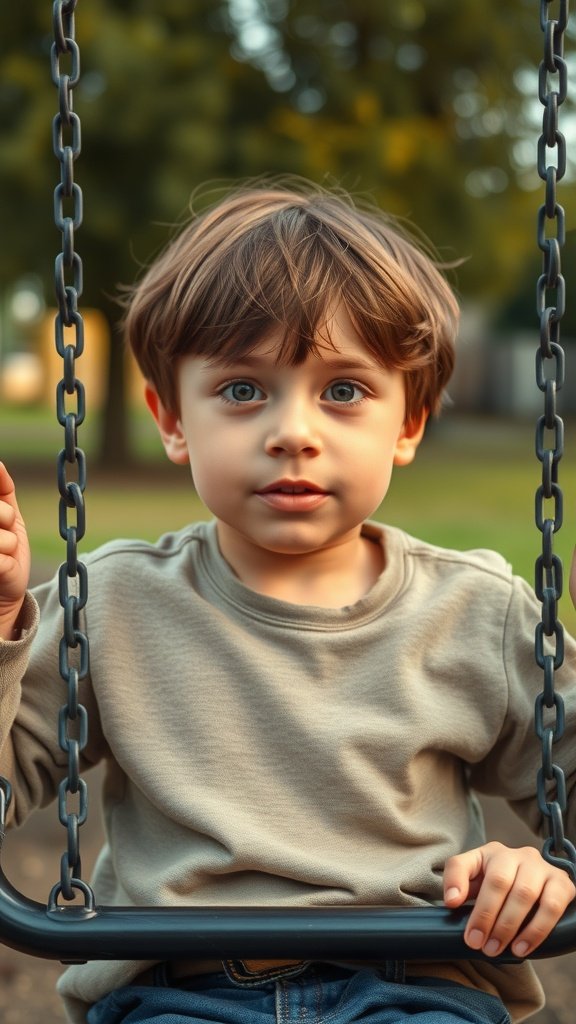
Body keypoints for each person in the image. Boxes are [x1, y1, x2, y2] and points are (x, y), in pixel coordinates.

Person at [0, 178, 575, 1024]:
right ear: (172, 419)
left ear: (409, 422)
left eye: (344, 390)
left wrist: (538, 872)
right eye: (242, 389)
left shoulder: (478, 614)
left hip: (416, 987)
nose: (293, 431)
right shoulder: (111, 604)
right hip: (176, 993)